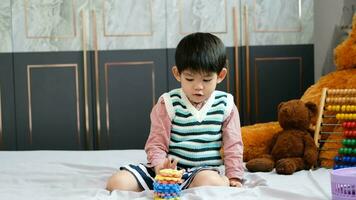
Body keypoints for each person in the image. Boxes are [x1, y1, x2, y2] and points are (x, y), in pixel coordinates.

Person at [106, 32, 244, 192]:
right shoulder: (168, 103)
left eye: (206, 80)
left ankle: (189, 186)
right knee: (117, 183)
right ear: (178, 74)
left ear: (220, 75)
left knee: (211, 181)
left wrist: (234, 176)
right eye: (190, 79)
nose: (198, 86)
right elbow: (156, 143)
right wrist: (159, 167)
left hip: (201, 173)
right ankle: (169, 186)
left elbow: (233, 145)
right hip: (167, 171)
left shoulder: (226, 105)